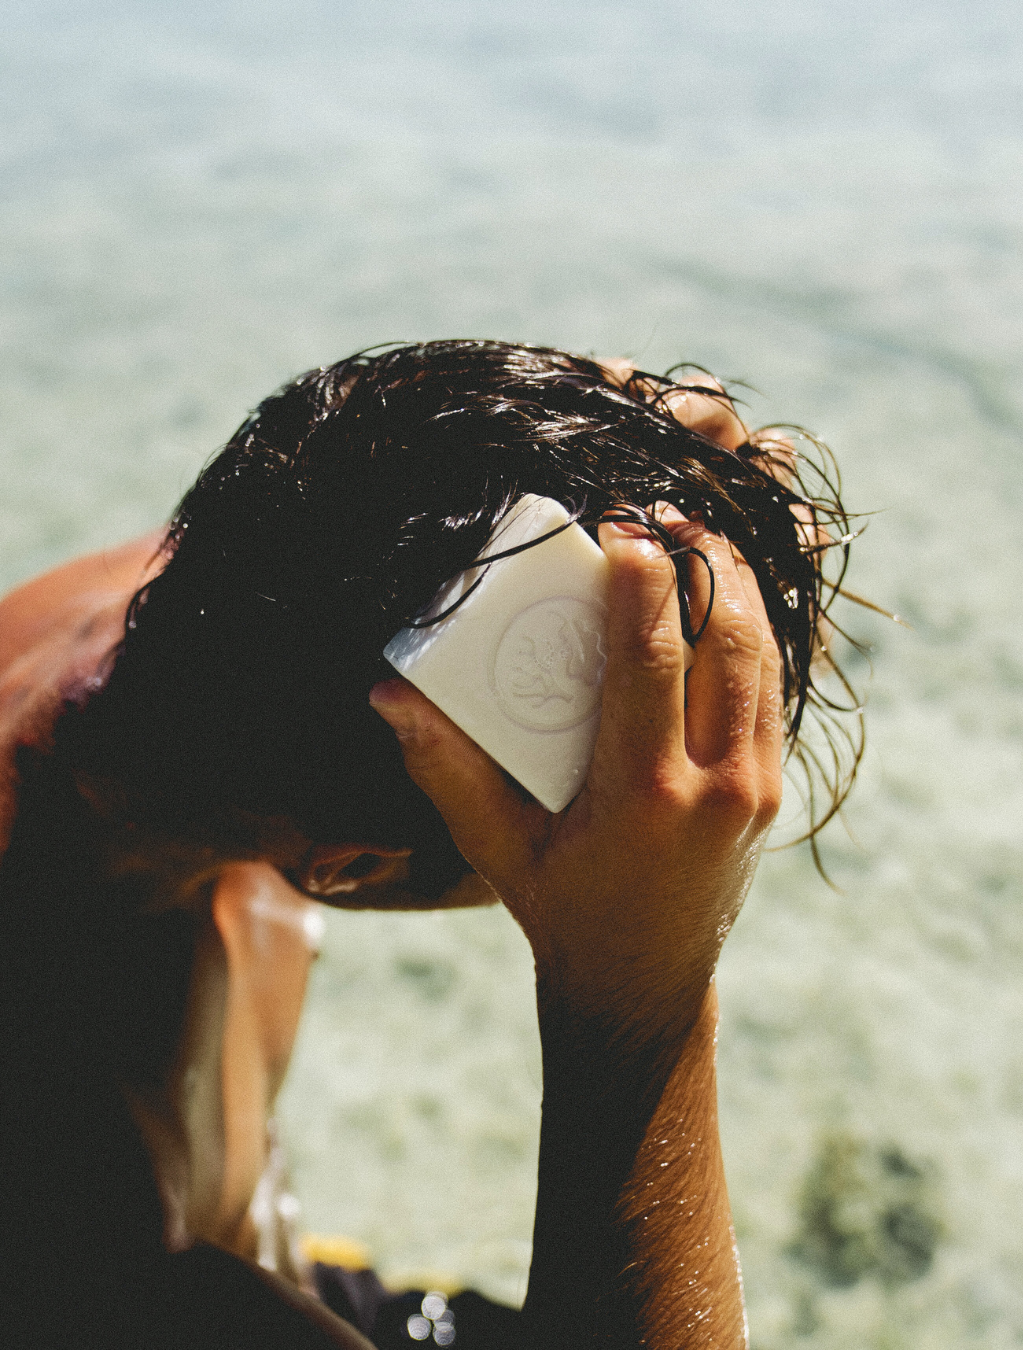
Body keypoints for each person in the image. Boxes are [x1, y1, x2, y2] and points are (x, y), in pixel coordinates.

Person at [0, 341, 855, 1349]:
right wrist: (641, 1004)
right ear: (356, 869)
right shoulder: (90, 1245)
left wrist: (622, 465)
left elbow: (390, 460)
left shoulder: (234, 582)